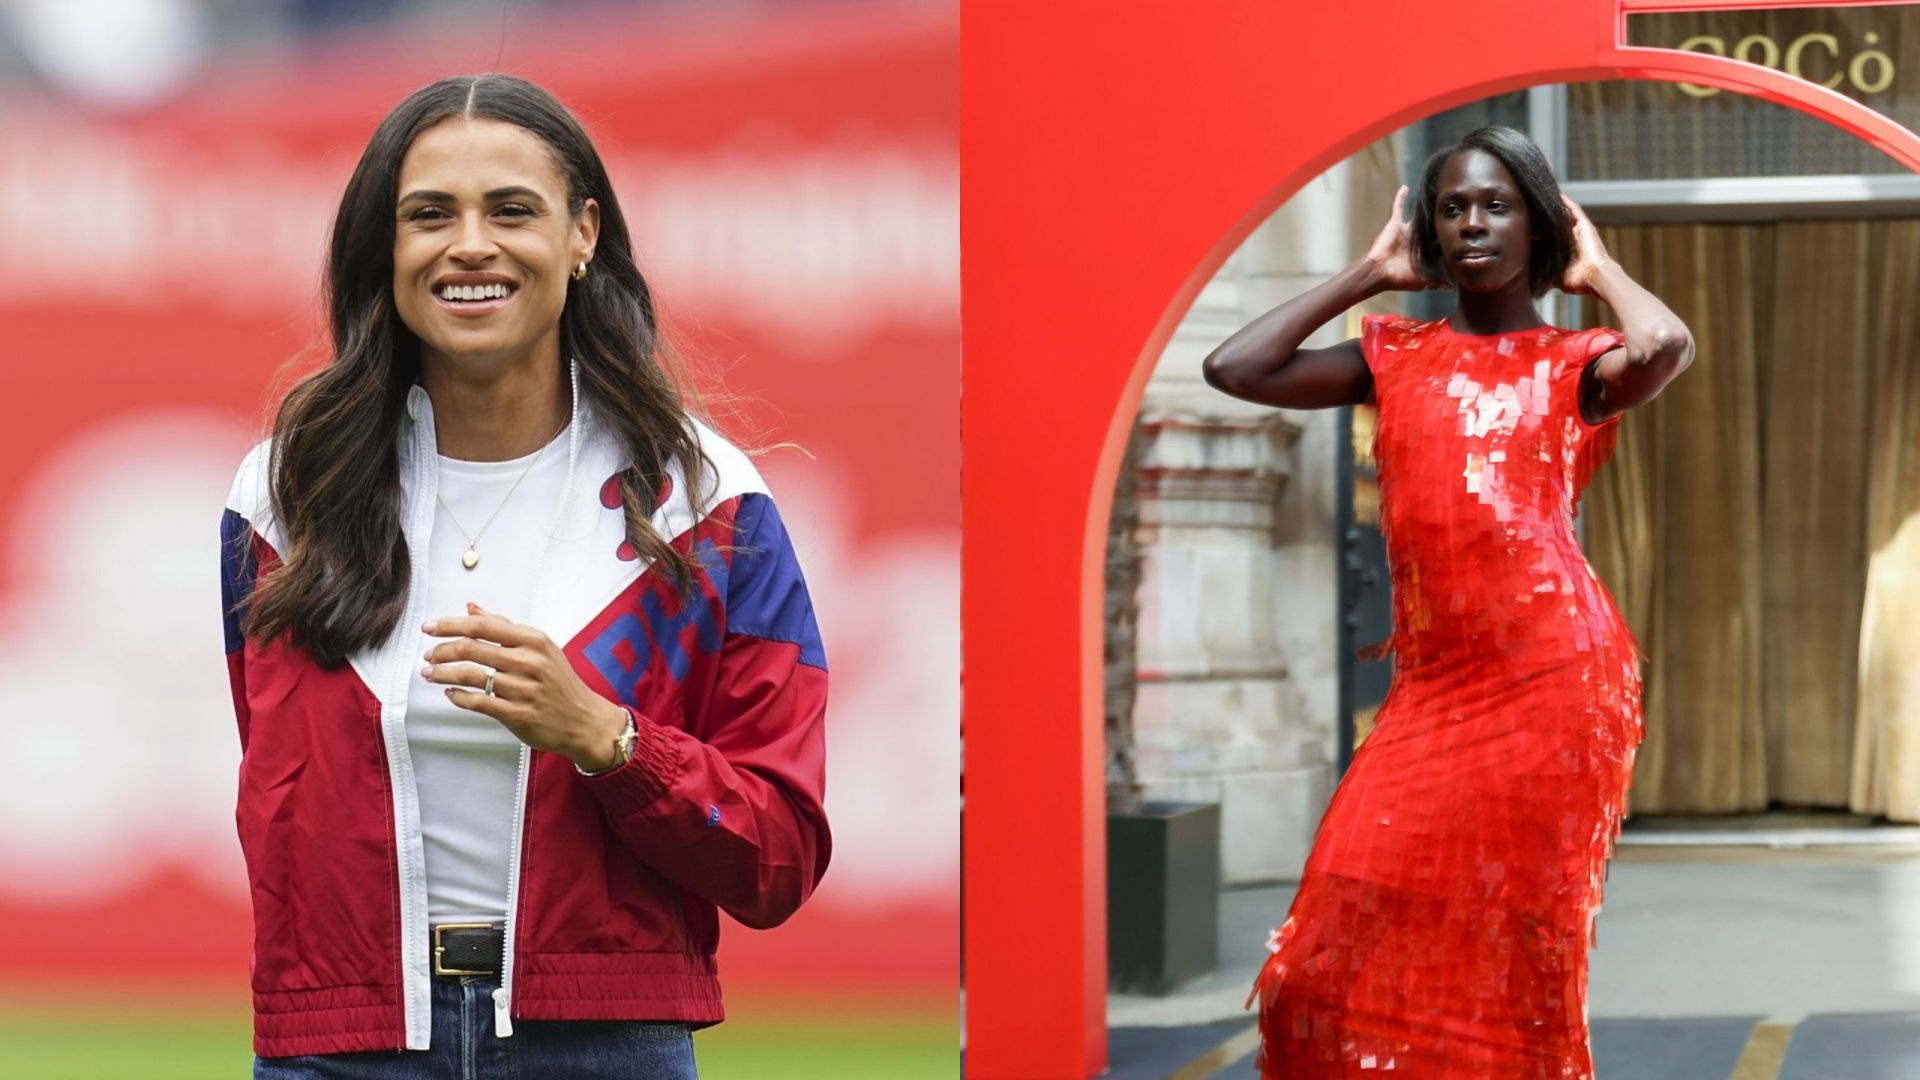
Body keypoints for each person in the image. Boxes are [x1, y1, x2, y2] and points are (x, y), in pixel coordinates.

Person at [221, 73, 830, 1080]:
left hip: (603, 1044)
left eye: (512, 210)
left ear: (583, 233)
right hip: (342, 1043)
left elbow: (780, 854)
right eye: (429, 215)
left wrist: (607, 739)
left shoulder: (706, 503)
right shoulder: (285, 494)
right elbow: (275, 784)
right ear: (387, 246)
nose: (470, 245)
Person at [1203, 125, 1692, 1077]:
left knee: (1513, 949)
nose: (1472, 223)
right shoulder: (1393, 354)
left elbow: (1664, 342)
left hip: (1555, 681)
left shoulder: (1575, 361)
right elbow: (1235, 368)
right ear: (1428, 231)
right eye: (1452, 208)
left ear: (1537, 224)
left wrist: (1597, 268)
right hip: (1434, 692)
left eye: (1497, 205)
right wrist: (1363, 278)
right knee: (1313, 967)